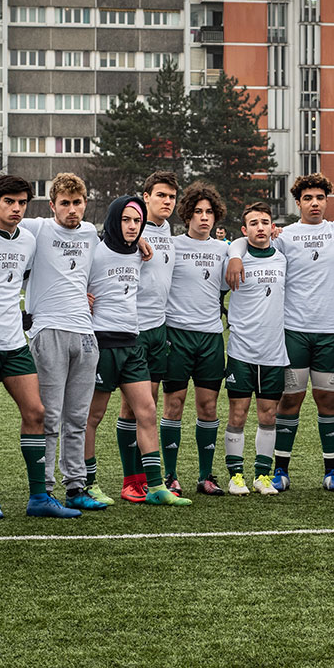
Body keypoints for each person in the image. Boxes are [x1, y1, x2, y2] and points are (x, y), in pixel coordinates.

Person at [237, 173, 334, 492]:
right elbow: (246, 243)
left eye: (319, 198)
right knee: (290, 400)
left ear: (326, 201)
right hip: (292, 331)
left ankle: (332, 472)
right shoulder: (283, 236)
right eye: (307, 198)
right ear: (298, 202)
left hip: (330, 331)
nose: (314, 203)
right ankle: (280, 471)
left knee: (328, 399)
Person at [86, 194, 192, 506]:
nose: (132, 227)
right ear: (113, 220)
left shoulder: (139, 251)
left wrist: (142, 239)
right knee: (92, 416)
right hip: (103, 343)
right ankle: (88, 482)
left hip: (132, 342)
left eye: (137, 221)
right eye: (126, 220)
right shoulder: (95, 249)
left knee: (146, 411)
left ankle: (156, 486)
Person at [0, 175, 56, 517]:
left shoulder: (29, 241)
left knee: (36, 413)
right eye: (9, 202)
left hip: (15, 343)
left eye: (22, 203)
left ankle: (38, 498)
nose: (16, 209)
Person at [21, 173, 103, 514]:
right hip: (49, 330)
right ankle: (45, 491)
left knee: (78, 418)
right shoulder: (37, 228)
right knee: (50, 416)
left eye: (77, 202)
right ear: (52, 205)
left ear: (85, 203)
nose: (72, 209)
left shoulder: (91, 233)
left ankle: (76, 486)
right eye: (65, 203)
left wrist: (142, 242)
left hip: (85, 334)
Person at [162, 184, 229, 496]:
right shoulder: (172, 245)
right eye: (198, 212)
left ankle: (205, 476)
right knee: (174, 404)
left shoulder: (225, 249)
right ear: (187, 214)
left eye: (210, 213)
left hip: (211, 338)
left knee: (208, 405)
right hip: (176, 336)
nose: (204, 218)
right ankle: (171, 475)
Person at [117, 170, 180, 498]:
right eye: (160, 196)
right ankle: (132, 481)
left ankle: (148, 479)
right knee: (132, 407)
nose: (166, 201)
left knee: (149, 405)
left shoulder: (168, 231)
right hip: (133, 331)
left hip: (159, 330)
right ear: (146, 198)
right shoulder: (131, 232)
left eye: (171, 196)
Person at [223, 202, 290, 495]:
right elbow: (233, 248)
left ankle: (262, 477)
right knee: (238, 415)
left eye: (265, 222)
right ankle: (236, 476)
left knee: (269, 416)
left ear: (272, 227)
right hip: (241, 352)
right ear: (244, 229)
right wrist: (235, 255)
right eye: (253, 223)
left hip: (274, 353)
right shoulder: (235, 257)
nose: (260, 227)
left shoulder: (283, 259)